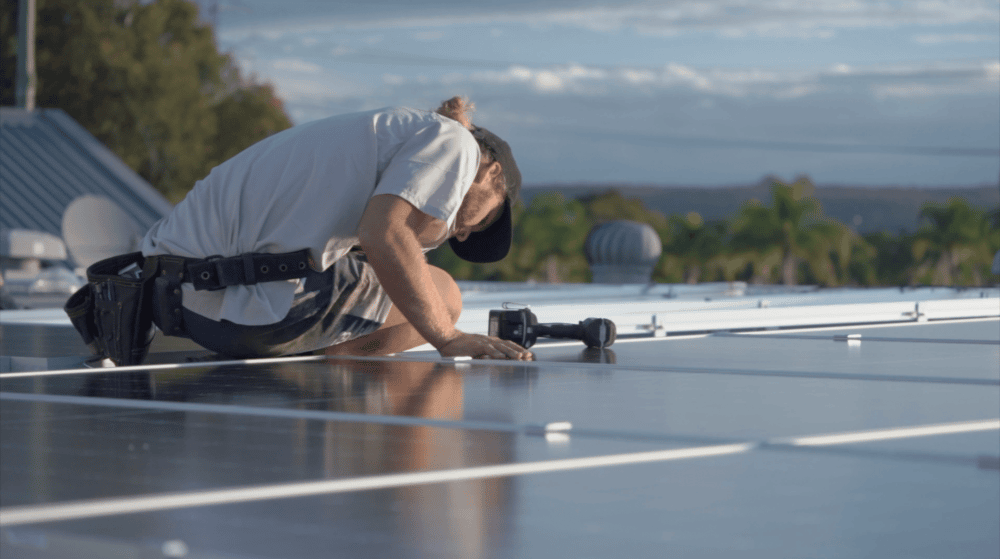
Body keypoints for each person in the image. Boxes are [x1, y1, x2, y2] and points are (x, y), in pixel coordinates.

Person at [138, 97, 532, 361]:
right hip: (243, 306)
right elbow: (385, 235)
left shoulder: (390, 134)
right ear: (491, 173)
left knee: (418, 286)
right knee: (443, 295)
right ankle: (330, 379)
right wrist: (448, 337)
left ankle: (317, 367)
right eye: (485, 220)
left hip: (177, 300)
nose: (464, 234)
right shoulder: (456, 143)